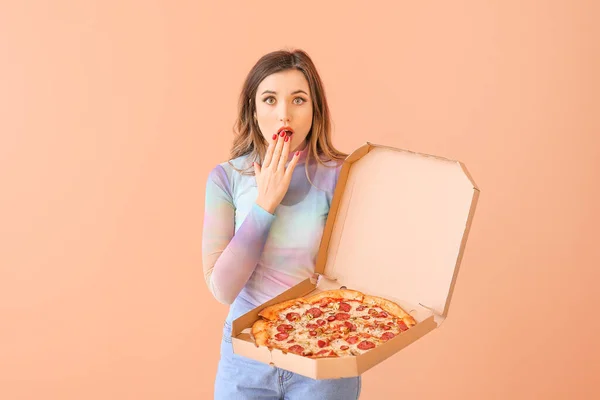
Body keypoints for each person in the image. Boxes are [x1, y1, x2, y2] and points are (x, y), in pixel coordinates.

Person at [202, 49, 361, 399]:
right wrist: (265, 204)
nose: (284, 115)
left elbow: (360, 277)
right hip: (245, 357)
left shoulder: (344, 175)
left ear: (315, 108)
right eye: (270, 99)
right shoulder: (226, 179)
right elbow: (223, 289)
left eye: (298, 100)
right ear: (253, 109)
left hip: (324, 352)